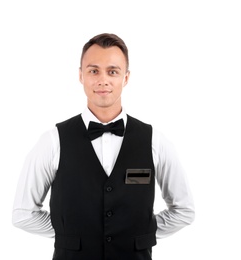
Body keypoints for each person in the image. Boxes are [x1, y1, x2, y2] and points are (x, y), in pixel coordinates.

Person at [12, 33, 195, 260]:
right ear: (81, 75)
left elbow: (184, 210)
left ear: (126, 78)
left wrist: (143, 233)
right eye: (93, 70)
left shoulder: (155, 141)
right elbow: (22, 214)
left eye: (113, 71)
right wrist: (67, 233)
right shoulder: (53, 140)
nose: (103, 80)